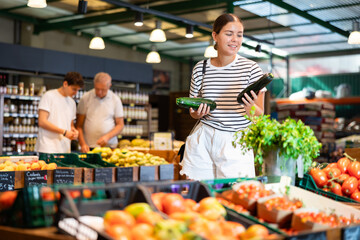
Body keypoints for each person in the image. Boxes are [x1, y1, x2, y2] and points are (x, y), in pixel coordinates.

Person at [180, 13, 266, 180]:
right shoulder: (200, 68)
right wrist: (197, 113)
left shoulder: (252, 69)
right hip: (204, 138)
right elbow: (193, 111)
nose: (235, 39)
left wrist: (251, 109)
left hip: (236, 140)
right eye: (229, 33)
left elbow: (260, 114)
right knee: (200, 192)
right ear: (215, 35)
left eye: (239, 35)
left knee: (234, 193)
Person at [35, 72, 84, 153]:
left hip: (64, 149)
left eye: (78, 90)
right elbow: (42, 122)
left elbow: (70, 125)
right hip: (47, 148)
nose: (76, 93)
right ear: (65, 84)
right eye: (74, 89)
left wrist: (74, 131)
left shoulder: (72, 102)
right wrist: (63, 132)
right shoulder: (49, 96)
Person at [76, 72, 124, 153]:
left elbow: (120, 125)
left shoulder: (115, 100)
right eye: (97, 89)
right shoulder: (86, 98)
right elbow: (79, 125)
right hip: (89, 147)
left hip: (110, 147)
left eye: (103, 89)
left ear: (109, 86)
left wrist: (107, 137)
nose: (99, 92)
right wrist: (82, 144)